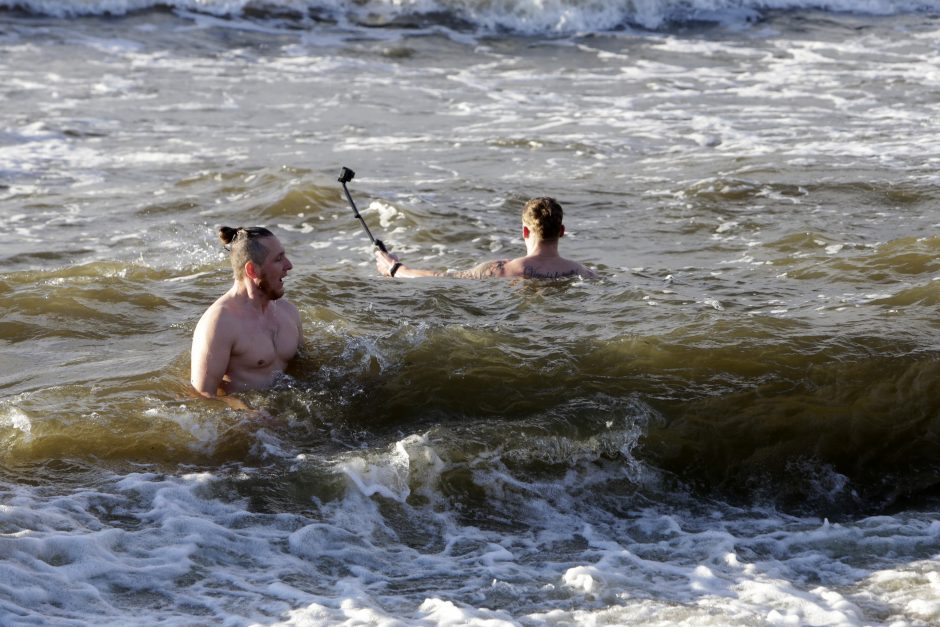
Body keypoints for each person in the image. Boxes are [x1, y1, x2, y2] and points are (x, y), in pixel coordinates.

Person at [190, 226, 303, 403]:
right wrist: (245, 411)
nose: (289, 265)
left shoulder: (289, 312)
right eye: (278, 259)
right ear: (252, 270)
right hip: (251, 425)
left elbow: (305, 368)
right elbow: (202, 395)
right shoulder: (220, 324)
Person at [375, 197, 596, 279]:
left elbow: (442, 277)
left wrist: (395, 268)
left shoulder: (500, 270)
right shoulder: (582, 273)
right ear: (562, 231)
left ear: (525, 232)